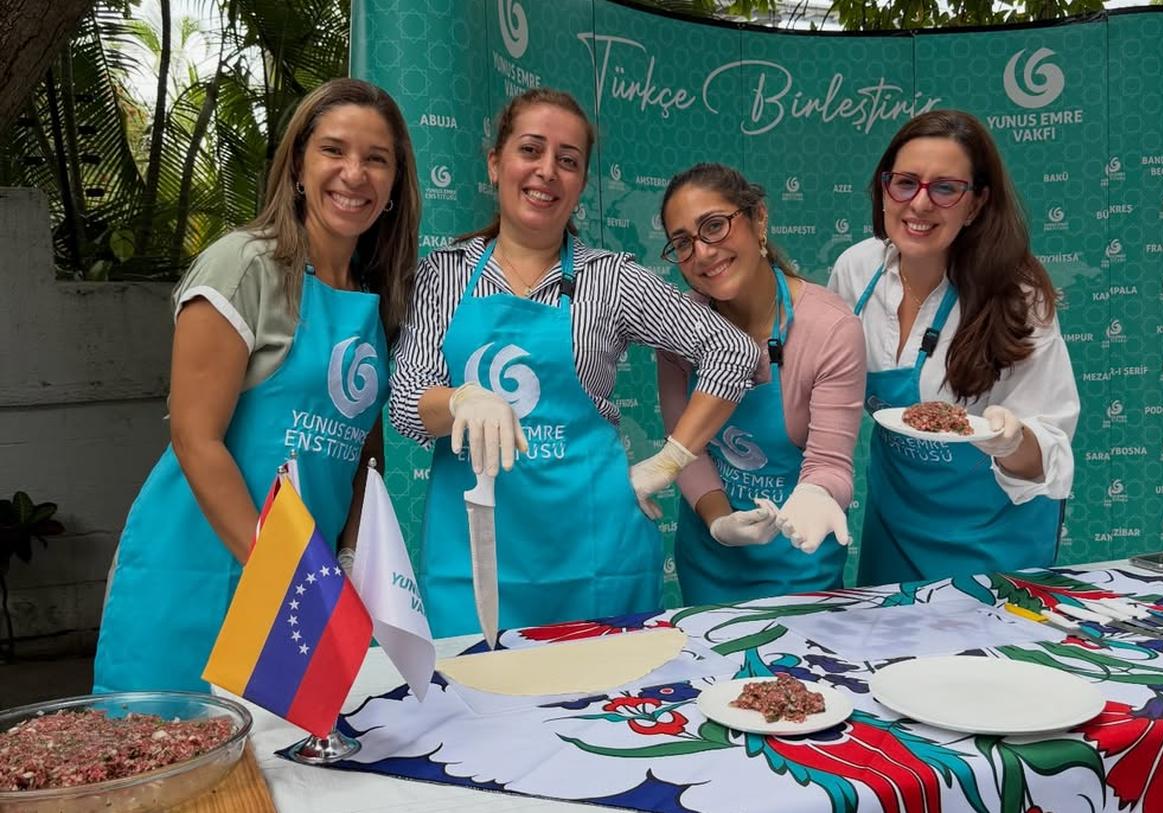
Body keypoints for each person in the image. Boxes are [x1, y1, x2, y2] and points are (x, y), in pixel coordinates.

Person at [389, 89, 759, 638]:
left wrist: (671, 460)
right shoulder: (441, 274)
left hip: (596, 555)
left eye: (568, 161)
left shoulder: (611, 279)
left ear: (582, 183)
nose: (546, 172)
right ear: (496, 163)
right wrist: (462, 399)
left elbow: (733, 350)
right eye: (530, 151)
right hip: (475, 558)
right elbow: (405, 401)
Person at [94, 79, 421, 693]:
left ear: (395, 186)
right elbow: (195, 438)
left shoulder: (375, 301)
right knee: (176, 765)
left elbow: (360, 454)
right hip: (198, 569)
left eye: (376, 159)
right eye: (334, 150)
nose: (354, 173)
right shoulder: (244, 265)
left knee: (281, 779)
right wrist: (279, 578)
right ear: (298, 164)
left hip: (296, 593)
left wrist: (347, 556)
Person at [827, 109, 1078, 586]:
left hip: (994, 539)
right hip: (895, 527)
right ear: (883, 190)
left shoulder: (1017, 296)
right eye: (905, 183)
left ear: (977, 203)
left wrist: (1010, 440)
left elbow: (1049, 454)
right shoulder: (856, 271)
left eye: (945, 188)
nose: (920, 204)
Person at [657, 164, 866, 604]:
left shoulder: (830, 328)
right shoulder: (677, 327)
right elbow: (685, 447)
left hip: (800, 566)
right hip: (709, 566)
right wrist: (719, 523)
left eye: (714, 226)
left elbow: (830, 463)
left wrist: (815, 494)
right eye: (683, 243)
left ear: (758, 219)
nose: (703, 252)